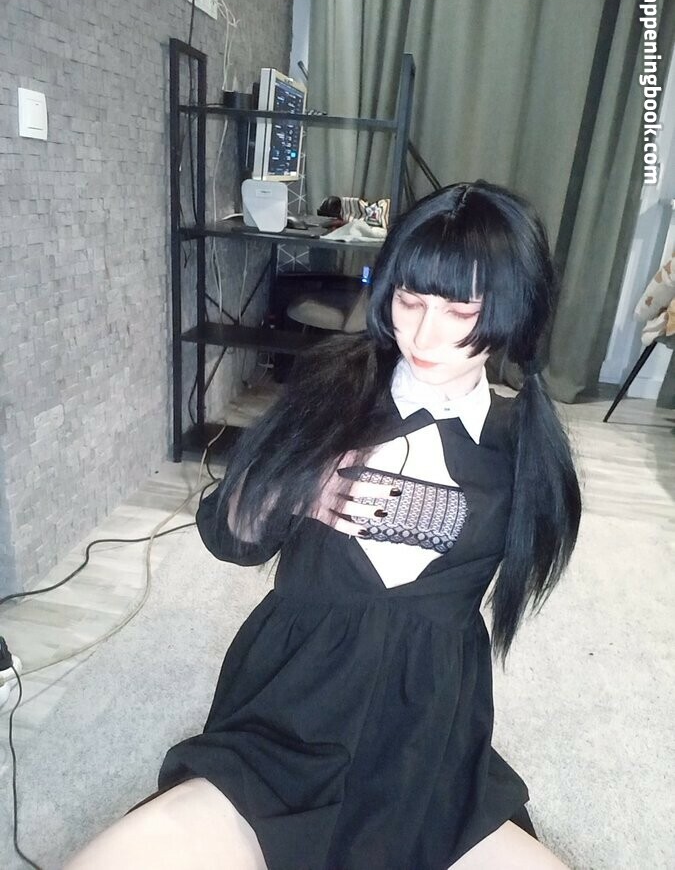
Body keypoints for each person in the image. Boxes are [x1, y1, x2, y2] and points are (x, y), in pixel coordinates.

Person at [67, 181, 582, 870]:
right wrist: (293, 486)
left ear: (514, 312)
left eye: (460, 310)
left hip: (425, 738)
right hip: (289, 713)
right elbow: (229, 538)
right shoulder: (330, 391)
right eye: (409, 300)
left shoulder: (524, 447)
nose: (423, 335)